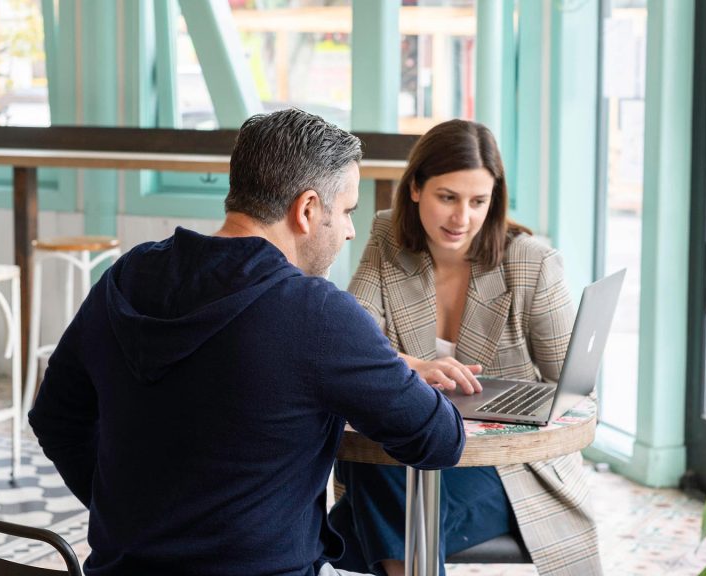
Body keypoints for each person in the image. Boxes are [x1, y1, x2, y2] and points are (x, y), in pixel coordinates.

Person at [28, 108, 466, 576]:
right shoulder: (317, 314)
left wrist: (127, 520)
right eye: (345, 212)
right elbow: (440, 440)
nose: (350, 230)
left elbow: (55, 417)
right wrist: (392, 367)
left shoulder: (128, 277)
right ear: (307, 209)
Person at [328, 119, 602, 576]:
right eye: (447, 197)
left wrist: (506, 419)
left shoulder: (531, 263)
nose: (462, 219)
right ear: (415, 188)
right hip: (411, 453)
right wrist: (413, 367)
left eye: (479, 201)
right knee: (382, 468)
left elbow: (576, 395)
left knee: (335, 531)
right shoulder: (386, 238)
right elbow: (348, 347)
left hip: (510, 469)